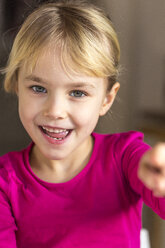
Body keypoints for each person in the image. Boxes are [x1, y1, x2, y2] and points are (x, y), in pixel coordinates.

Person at [0, 0, 165, 247]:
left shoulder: (126, 157)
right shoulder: (5, 182)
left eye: (77, 93)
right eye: (38, 88)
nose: (55, 111)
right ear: (15, 85)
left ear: (106, 99)